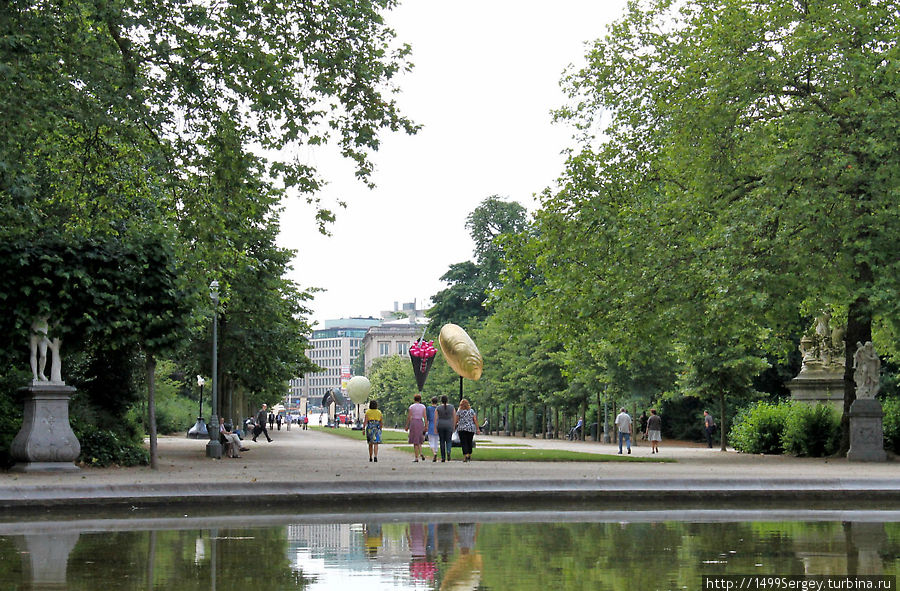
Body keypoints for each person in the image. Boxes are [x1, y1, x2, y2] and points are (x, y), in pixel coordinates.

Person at [406, 394, 428, 462]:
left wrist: (407, 425)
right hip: (420, 422)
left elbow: (409, 416)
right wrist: (426, 425)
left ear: (414, 399)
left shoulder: (411, 407)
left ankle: (416, 457)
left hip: (414, 422)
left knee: (415, 441)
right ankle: (421, 453)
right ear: (420, 399)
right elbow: (425, 416)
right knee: (419, 439)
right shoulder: (423, 406)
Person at [435, 395, 456, 462]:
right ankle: (449, 451)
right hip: (449, 424)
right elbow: (454, 417)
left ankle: (443, 457)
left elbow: (435, 418)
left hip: (441, 424)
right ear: (447, 400)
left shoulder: (438, 408)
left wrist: (435, 427)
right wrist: (454, 425)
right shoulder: (452, 407)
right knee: (449, 440)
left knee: (442, 441)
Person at [426, 396, 440, 462]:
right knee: (436, 441)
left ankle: (434, 453)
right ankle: (436, 452)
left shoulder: (429, 408)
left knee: (431, 440)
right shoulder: (439, 408)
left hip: (431, 425)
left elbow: (427, 417)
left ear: (431, 401)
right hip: (437, 425)